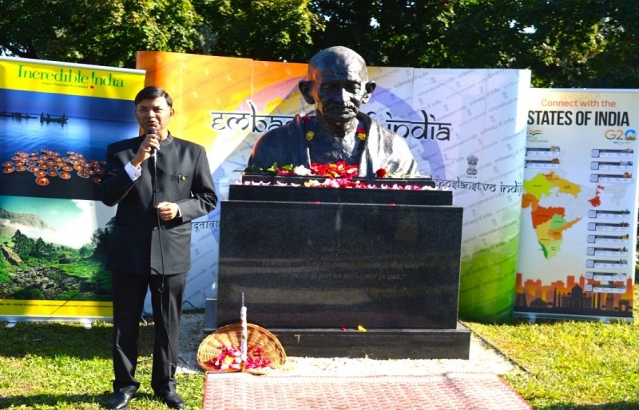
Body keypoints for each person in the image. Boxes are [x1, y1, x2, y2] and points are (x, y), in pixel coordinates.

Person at [100, 86, 217, 410]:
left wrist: (180, 209)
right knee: (125, 323)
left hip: (171, 251)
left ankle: (165, 385)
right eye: (143, 109)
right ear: (136, 113)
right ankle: (124, 386)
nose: (150, 115)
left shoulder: (192, 152)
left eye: (156, 109)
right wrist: (137, 160)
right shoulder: (119, 152)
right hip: (129, 251)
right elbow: (108, 196)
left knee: (168, 323)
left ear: (170, 113)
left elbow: (207, 198)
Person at [247, 46, 419, 177]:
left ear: (367, 92)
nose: (342, 98)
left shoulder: (394, 149)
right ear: (308, 92)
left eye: (352, 87)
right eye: (330, 87)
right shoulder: (273, 145)